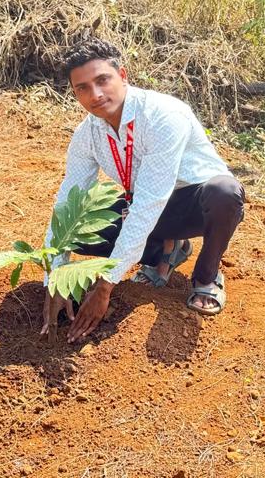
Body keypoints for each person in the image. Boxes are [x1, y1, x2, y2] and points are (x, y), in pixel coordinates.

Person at [40, 37, 245, 342]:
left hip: (194, 204)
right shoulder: (88, 134)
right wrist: (55, 279)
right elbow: (68, 203)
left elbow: (151, 201)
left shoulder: (162, 116)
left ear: (122, 75)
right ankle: (165, 251)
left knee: (224, 193)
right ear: (74, 93)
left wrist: (106, 285)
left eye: (102, 80)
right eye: (83, 88)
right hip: (144, 204)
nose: (95, 94)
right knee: (78, 229)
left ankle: (207, 276)